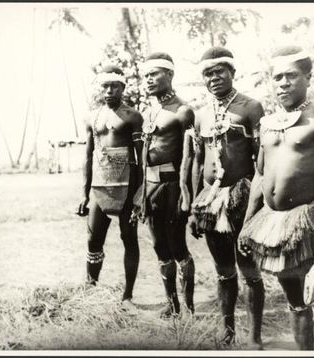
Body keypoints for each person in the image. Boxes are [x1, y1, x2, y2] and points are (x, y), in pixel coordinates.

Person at [239, 45, 314, 350]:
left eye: (291, 75)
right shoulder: (268, 123)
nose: (283, 83)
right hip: (274, 224)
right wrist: (248, 222)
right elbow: (260, 176)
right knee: (295, 300)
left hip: (308, 219)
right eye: (277, 77)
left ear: (308, 78)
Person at [189, 47, 265, 347]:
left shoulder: (250, 107)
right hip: (210, 200)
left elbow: (263, 159)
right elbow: (198, 160)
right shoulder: (201, 114)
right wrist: (195, 205)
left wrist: (259, 205)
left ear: (233, 72)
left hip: (243, 198)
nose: (214, 77)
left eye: (219, 70)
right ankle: (228, 330)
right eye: (208, 73)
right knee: (223, 269)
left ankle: (255, 336)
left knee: (249, 269)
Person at [131, 52, 195, 318]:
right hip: (150, 187)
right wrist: (140, 192)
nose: (148, 80)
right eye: (145, 75)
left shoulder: (183, 111)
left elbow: (192, 158)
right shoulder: (149, 111)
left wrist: (187, 195)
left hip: (172, 187)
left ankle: (189, 307)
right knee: (159, 247)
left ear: (170, 74)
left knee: (177, 245)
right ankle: (172, 305)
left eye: (154, 74)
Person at [77, 65, 143, 312]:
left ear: (123, 87)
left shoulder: (133, 116)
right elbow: (87, 157)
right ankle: (90, 287)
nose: (109, 91)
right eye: (104, 86)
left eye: (114, 85)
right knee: (94, 240)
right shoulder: (92, 118)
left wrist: (140, 193)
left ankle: (127, 296)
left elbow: (140, 159)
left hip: (127, 186)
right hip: (99, 187)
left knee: (129, 239)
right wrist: (84, 194)